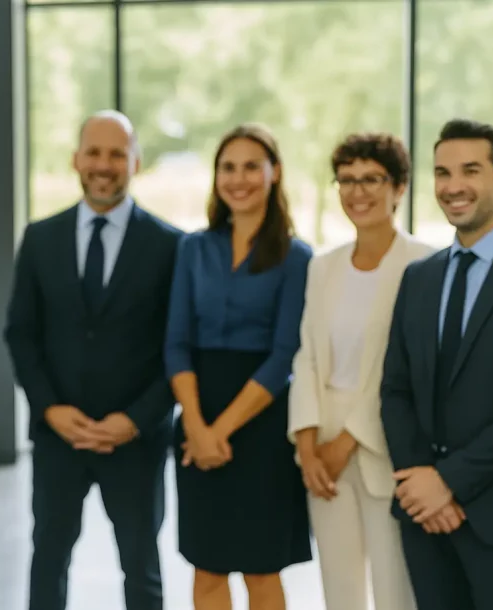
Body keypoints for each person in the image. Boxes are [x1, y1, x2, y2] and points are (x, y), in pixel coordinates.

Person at [5, 109, 182, 610]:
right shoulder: (40, 238)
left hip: (136, 441)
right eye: (94, 153)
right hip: (58, 438)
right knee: (48, 561)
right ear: (76, 159)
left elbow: (177, 348)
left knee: (142, 569)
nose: (104, 165)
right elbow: (21, 334)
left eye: (116, 154)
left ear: (136, 162)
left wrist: (136, 419)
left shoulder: (171, 245)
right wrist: (50, 410)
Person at [164, 123, 312, 610]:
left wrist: (218, 433)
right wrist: (196, 426)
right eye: (228, 167)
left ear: (275, 173)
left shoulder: (296, 256)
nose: (238, 178)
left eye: (251, 166)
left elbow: (284, 356)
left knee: (261, 570)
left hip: (262, 424)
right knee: (206, 567)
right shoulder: (193, 248)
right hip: (197, 412)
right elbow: (176, 343)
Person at [287, 133, 430, 610]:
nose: (357, 191)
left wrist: (347, 440)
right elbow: (307, 355)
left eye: (371, 179)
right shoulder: (323, 266)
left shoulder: (423, 264)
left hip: (387, 444)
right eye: (346, 180)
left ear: (399, 187)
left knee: (395, 591)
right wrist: (306, 445)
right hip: (321, 450)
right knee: (339, 590)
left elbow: (404, 369)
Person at [381, 118, 493, 610]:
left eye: (470, 170)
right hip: (424, 519)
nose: (453, 186)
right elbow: (395, 390)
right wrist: (420, 480)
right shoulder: (419, 278)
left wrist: (449, 481)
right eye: (442, 173)